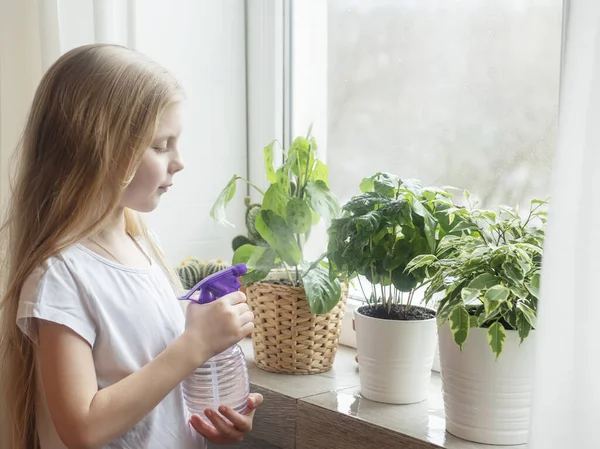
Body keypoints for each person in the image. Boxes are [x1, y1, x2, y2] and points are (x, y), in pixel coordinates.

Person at [0, 43, 261, 449]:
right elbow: (82, 427)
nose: (179, 161)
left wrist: (211, 420)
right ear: (97, 149)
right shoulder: (60, 275)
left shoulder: (142, 245)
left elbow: (153, 399)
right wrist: (194, 345)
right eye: (161, 145)